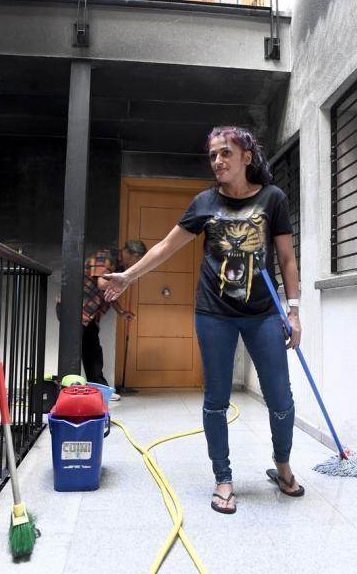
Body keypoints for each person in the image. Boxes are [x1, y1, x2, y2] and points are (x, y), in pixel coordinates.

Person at [103, 126, 303, 512]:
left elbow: (287, 258)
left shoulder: (273, 199)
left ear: (247, 156)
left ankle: (282, 466)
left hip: (263, 312)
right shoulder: (204, 202)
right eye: (213, 155)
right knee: (215, 400)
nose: (218, 161)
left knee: (281, 398)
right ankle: (223, 478)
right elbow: (165, 246)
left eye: (225, 153)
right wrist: (129, 276)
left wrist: (293, 310)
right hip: (215, 312)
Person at [80, 239, 147, 400]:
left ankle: (100, 391)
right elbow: (102, 284)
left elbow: (108, 295)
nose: (136, 265)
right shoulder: (106, 256)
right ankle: (72, 391)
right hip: (77, 309)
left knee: (93, 352)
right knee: (79, 352)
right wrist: (126, 279)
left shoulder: (119, 267)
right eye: (138, 261)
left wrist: (121, 312)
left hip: (89, 314)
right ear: (132, 254)